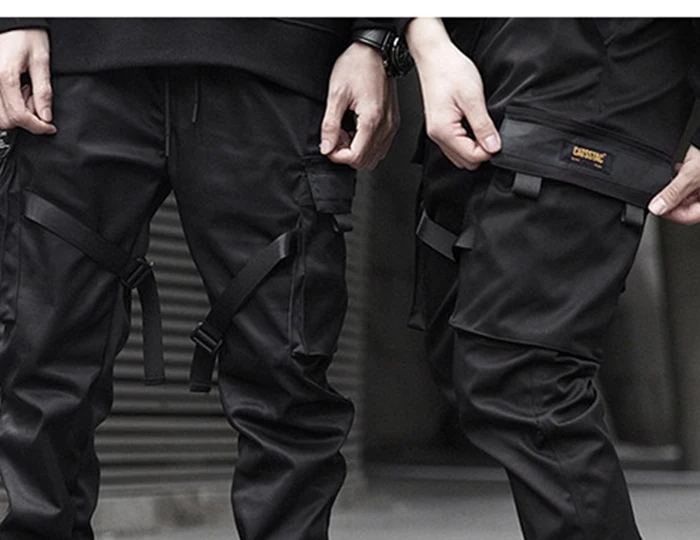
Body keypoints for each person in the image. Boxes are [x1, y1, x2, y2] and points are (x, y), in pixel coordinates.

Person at [0, 17, 407, 540]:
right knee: (41, 364)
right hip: (75, 53)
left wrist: (373, 36)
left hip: (280, 54)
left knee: (287, 379)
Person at [405, 17, 700, 540]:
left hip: (592, 101)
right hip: (470, 94)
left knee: (525, 381)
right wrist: (424, 37)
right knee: (465, 361)